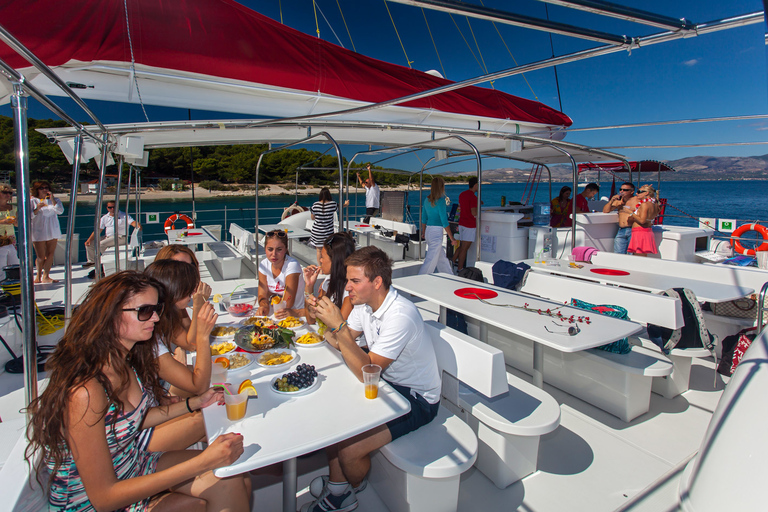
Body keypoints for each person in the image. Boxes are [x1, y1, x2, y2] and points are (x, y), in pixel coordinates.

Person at [24, 271, 250, 511]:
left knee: (232, 476)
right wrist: (204, 461)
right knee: (208, 489)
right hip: (92, 502)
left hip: (132, 463)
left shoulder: (124, 361)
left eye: (157, 309)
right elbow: (104, 498)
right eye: (144, 311)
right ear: (110, 317)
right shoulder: (85, 392)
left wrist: (192, 404)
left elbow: (132, 419)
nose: (154, 318)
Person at [305, 246, 441, 512]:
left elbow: (368, 372)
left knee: (349, 451)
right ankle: (337, 486)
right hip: (388, 384)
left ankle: (349, 490)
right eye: (348, 281)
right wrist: (326, 321)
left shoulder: (400, 315)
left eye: (355, 281)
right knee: (333, 421)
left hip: (416, 398)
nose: (348, 289)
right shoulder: (365, 305)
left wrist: (339, 326)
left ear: (377, 282)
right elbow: (340, 342)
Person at [144, 259, 215, 397]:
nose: (194, 291)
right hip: (159, 394)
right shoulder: (150, 339)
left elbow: (189, 343)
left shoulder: (165, 315)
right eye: (188, 288)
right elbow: (198, 386)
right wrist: (203, 334)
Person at [303, 232, 357, 327]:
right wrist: (309, 287)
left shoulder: (350, 291)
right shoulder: (328, 281)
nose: (320, 260)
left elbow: (338, 328)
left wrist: (316, 312)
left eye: (323, 257)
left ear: (335, 260)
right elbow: (311, 320)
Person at [257, 229, 306, 318]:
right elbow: (262, 294)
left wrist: (270, 297)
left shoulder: (292, 265)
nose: (274, 254)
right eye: (270, 249)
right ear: (265, 249)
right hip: (274, 312)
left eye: (279, 249)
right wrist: (263, 305)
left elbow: (287, 303)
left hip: (294, 314)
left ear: (286, 249)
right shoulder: (264, 264)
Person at [84, 200, 141, 268]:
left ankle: (107, 262)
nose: (112, 209)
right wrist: (89, 239)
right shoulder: (104, 218)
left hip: (120, 237)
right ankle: (92, 261)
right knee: (90, 244)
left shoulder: (124, 215)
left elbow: (132, 222)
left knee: (101, 244)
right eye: (110, 207)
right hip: (108, 237)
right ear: (107, 208)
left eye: (114, 207)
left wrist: (138, 226)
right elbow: (98, 230)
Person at [419, 176, 457, 275]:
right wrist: (452, 238)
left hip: (428, 231)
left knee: (441, 259)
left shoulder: (426, 200)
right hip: (436, 233)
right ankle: (420, 280)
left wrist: (423, 232)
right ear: (441, 187)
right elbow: (444, 221)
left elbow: (423, 218)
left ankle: (450, 277)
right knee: (430, 261)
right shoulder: (441, 201)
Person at [30, 180, 63, 284]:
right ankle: (38, 276)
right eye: (42, 188)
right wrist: (37, 208)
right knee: (40, 256)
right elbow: (29, 215)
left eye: (46, 188)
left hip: (52, 230)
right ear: (37, 190)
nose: (44, 190)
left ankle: (46, 276)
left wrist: (52, 200)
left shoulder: (55, 200)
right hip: (38, 230)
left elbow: (60, 211)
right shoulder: (32, 201)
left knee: (50, 254)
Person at [309, 187, 345, 265]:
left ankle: (321, 268)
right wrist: (346, 204)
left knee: (318, 251)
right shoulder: (333, 204)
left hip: (317, 232)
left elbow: (312, 218)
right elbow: (341, 207)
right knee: (327, 251)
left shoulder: (315, 205)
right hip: (328, 233)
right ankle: (327, 267)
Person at [452, 177, 479, 271]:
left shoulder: (462, 194)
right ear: (475, 185)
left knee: (462, 246)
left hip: (462, 223)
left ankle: (452, 261)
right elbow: (474, 213)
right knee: (464, 248)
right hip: (469, 225)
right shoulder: (473, 197)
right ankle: (460, 269)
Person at [625, 184, 660, 257]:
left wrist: (630, 212)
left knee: (639, 257)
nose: (636, 193)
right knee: (642, 256)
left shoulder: (644, 204)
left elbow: (642, 221)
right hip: (646, 231)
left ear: (646, 193)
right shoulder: (654, 204)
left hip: (640, 232)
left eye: (639, 191)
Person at [603, 182, 636, 254]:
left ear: (632, 191)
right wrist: (611, 201)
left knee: (631, 254)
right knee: (618, 253)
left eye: (625, 190)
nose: (622, 191)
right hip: (621, 230)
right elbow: (605, 210)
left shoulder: (635, 201)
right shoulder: (619, 202)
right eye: (621, 189)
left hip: (632, 229)